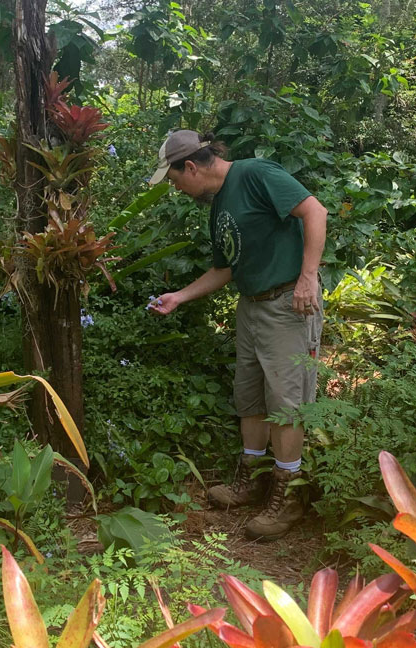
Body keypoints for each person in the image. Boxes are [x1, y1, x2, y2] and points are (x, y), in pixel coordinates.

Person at [147, 129, 328, 540]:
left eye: (175, 181)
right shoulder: (219, 207)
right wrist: (179, 296)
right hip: (251, 305)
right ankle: (252, 479)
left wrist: (308, 277)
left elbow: (315, 211)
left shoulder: (255, 174)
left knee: (286, 401)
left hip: (288, 303)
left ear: (191, 167)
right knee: (250, 397)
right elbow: (225, 268)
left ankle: (288, 494)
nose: (177, 189)